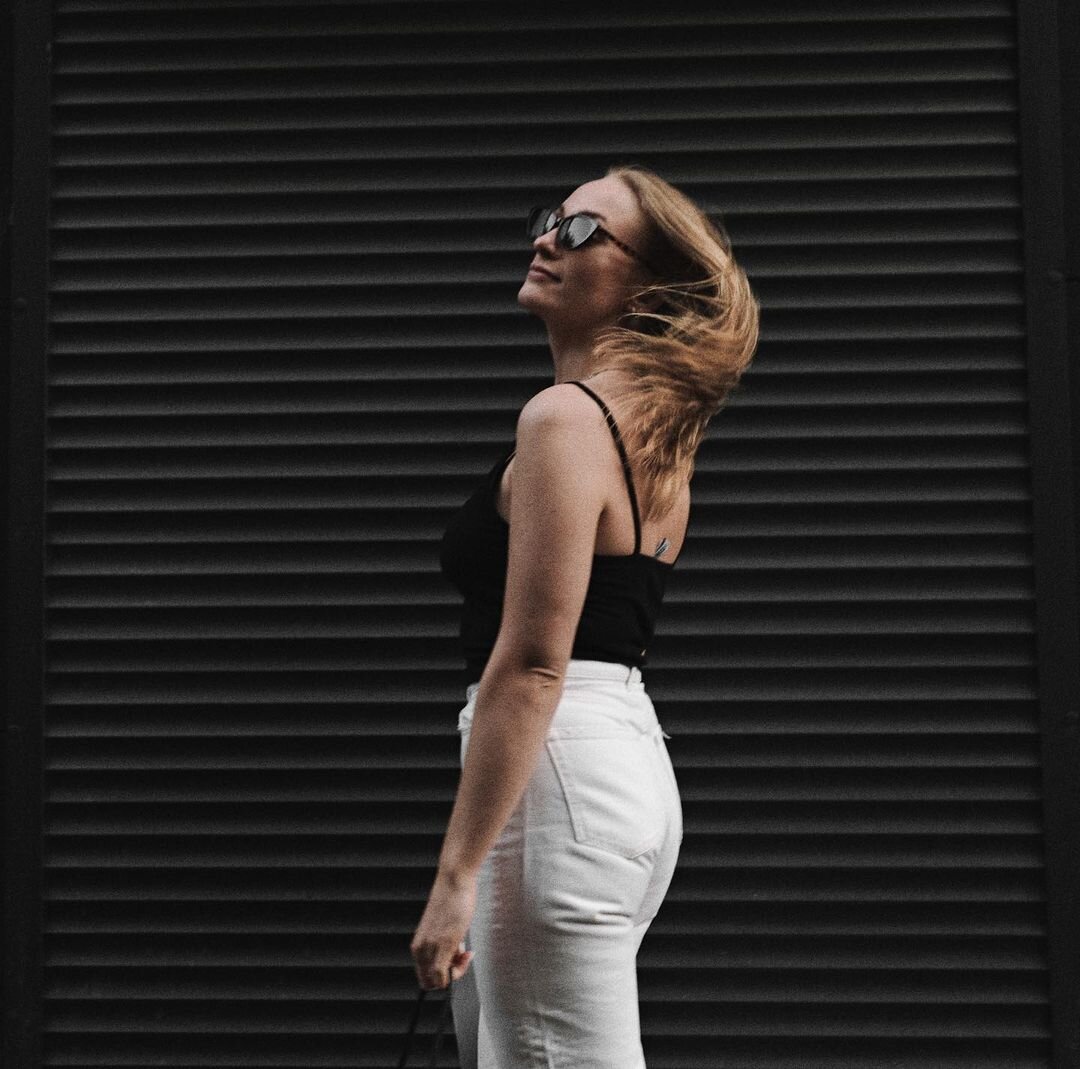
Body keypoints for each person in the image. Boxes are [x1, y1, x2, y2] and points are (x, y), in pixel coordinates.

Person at [410, 164, 760, 1067]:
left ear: (647, 285)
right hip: (620, 764)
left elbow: (534, 662)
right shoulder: (655, 432)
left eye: (581, 232)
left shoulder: (566, 419)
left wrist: (454, 876)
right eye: (551, 219)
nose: (546, 239)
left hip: (558, 771)